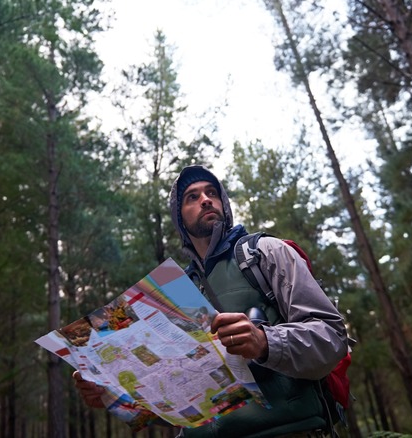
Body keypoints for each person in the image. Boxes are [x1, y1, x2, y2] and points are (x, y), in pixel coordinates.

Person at [73, 165, 349, 437]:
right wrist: (115, 398)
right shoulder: (173, 291)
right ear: (180, 217)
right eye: (192, 197)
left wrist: (265, 342)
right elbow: (182, 400)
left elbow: (332, 336)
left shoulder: (264, 252)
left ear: (224, 204)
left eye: (212, 193)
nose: (205, 199)